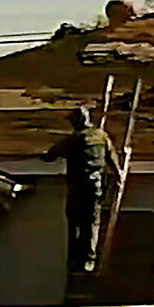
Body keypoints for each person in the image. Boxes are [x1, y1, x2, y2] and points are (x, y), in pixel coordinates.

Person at [44, 106, 121, 274]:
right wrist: (118, 175)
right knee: (92, 223)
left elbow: (51, 155)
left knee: (75, 223)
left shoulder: (73, 140)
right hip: (95, 186)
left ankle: (76, 259)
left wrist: (47, 155)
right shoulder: (101, 137)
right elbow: (112, 157)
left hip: (77, 186)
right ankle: (89, 259)